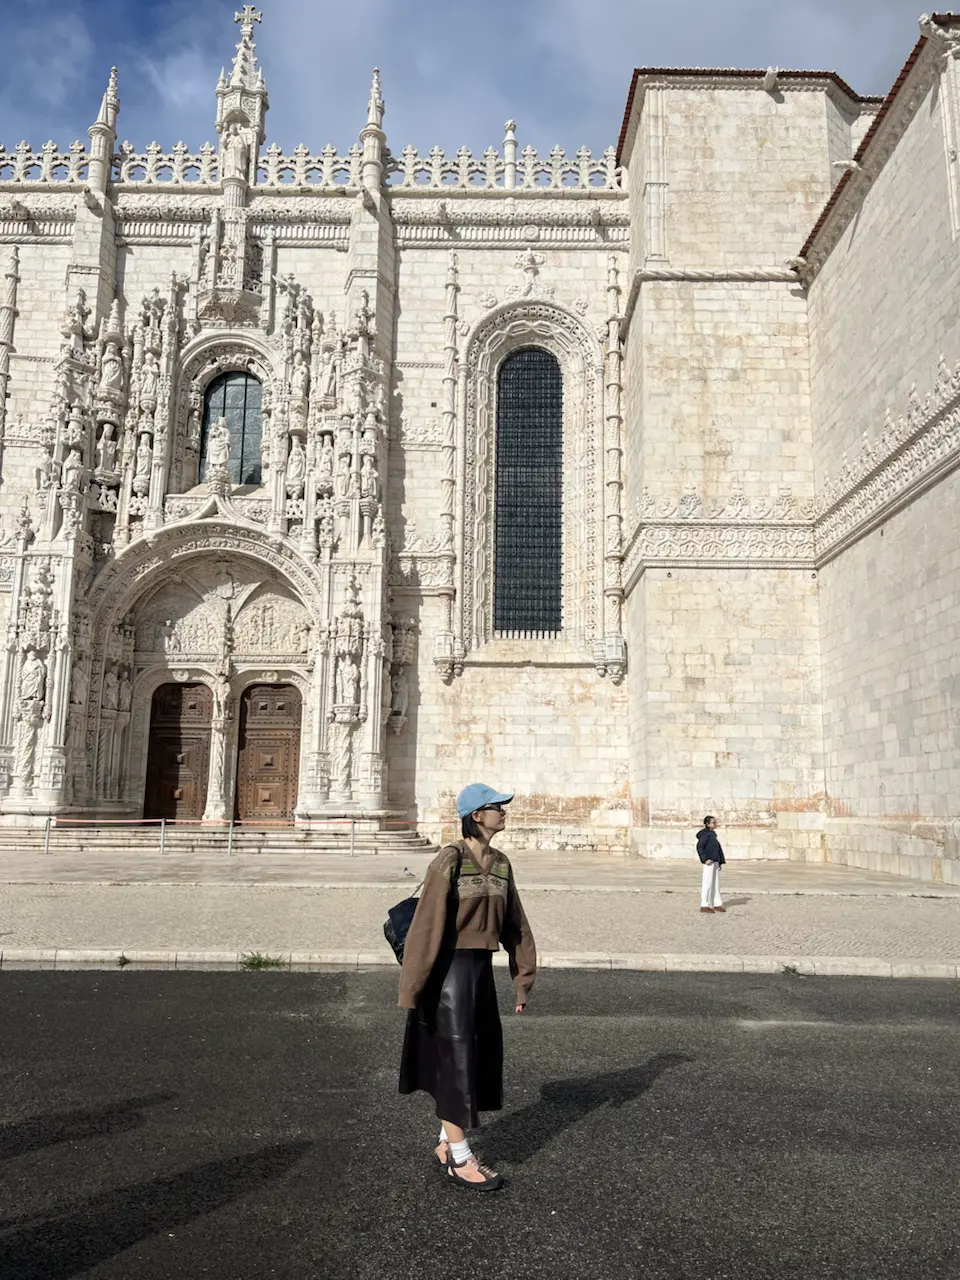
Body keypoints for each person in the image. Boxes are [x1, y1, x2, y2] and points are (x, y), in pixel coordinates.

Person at [398, 783, 536, 1192]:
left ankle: (446, 1141)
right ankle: (460, 1158)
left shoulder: (502, 863)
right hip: (448, 974)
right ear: (477, 815)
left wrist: (522, 977)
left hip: (479, 972)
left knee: (474, 1058)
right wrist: (414, 986)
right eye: (498, 808)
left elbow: (517, 924)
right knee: (456, 1061)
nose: (505, 813)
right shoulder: (450, 858)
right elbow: (426, 926)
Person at [696, 815, 726, 913]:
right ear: (708, 824)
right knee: (707, 882)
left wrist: (719, 861)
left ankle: (716, 903)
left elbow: (717, 848)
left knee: (715, 884)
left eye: (715, 822)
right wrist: (705, 859)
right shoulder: (705, 835)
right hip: (709, 862)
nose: (715, 824)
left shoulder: (713, 834)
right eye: (713, 822)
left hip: (715, 861)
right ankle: (704, 904)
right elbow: (700, 847)